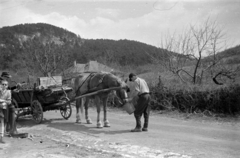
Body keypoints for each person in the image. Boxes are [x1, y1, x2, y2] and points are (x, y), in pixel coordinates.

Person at [0, 79, 12, 143]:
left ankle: (1, 138)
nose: (4, 85)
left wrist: (4, 102)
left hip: (4, 109)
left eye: (5, 84)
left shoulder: (8, 92)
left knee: (2, 122)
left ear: (7, 86)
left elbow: (9, 101)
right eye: (3, 84)